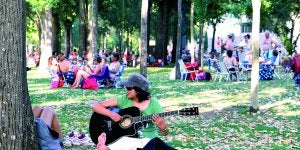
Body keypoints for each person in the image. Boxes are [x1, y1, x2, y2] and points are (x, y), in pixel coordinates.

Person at [91, 73, 174, 150]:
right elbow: (95, 105)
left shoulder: (154, 103)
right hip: (128, 140)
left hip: (148, 141)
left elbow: (165, 133)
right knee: (125, 141)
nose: (126, 90)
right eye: (125, 87)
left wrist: (163, 127)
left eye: (129, 88)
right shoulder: (124, 99)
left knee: (155, 144)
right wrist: (111, 114)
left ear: (138, 90)